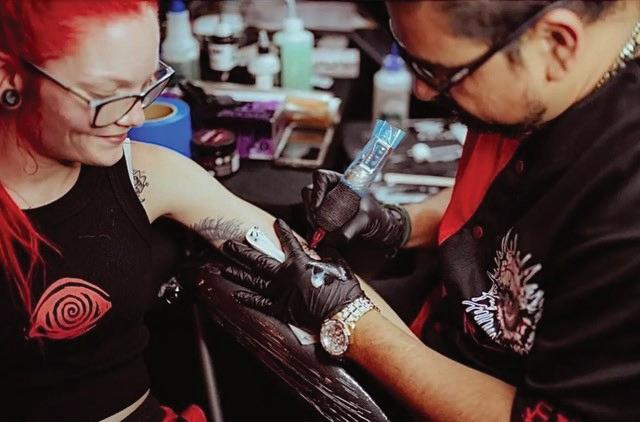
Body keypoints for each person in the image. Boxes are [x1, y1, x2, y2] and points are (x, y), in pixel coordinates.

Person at [222, 1, 640, 421]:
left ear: (557, 44)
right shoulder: (538, 80)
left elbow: (540, 415)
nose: (421, 91)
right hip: (439, 317)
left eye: (438, 72)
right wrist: (399, 224)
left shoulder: (625, 199)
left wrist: (349, 318)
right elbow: (511, 205)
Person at [0, 1, 411, 420]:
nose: (137, 116)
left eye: (147, 85)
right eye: (108, 94)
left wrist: (427, 383)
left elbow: (318, 274)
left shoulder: (146, 174)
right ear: (8, 76)